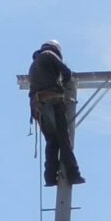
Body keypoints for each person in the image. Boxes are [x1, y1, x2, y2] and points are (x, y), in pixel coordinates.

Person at [28, 40, 85, 187]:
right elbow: (66, 72)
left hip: (39, 109)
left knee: (52, 142)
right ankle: (73, 174)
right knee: (63, 141)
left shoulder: (33, 65)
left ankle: (50, 177)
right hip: (52, 104)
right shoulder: (50, 55)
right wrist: (65, 85)